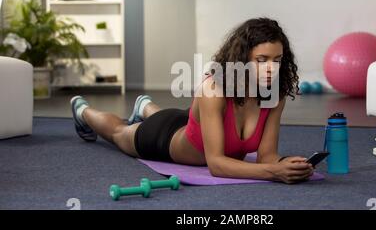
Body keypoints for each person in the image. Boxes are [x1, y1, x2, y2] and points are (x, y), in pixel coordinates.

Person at [71, 18, 314, 184]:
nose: (272, 68)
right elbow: (217, 165)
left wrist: (289, 164)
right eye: (262, 60)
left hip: (190, 124)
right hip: (162, 138)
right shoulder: (214, 89)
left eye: (277, 60)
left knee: (184, 119)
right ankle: (82, 111)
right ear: (242, 59)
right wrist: (274, 172)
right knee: (118, 132)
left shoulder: (275, 95)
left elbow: (267, 157)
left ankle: (145, 106)